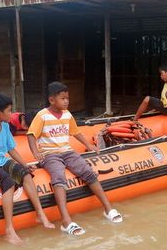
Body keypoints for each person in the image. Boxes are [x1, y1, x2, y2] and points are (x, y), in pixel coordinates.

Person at [27, 81, 122, 236]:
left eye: (67, 98)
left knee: (88, 172)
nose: (66, 101)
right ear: (52, 100)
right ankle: (66, 221)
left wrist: (88, 145)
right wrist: (35, 153)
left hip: (67, 151)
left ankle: (108, 209)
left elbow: (75, 132)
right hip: (49, 154)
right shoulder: (42, 116)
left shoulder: (67, 114)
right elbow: (31, 135)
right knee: (58, 178)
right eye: (63, 98)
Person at [0, 93, 55, 244]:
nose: (12, 113)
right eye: (9, 110)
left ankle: (40, 214)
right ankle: (9, 230)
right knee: (8, 183)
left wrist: (24, 164)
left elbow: (11, 149)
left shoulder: (5, 126)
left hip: (1, 160)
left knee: (26, 174)